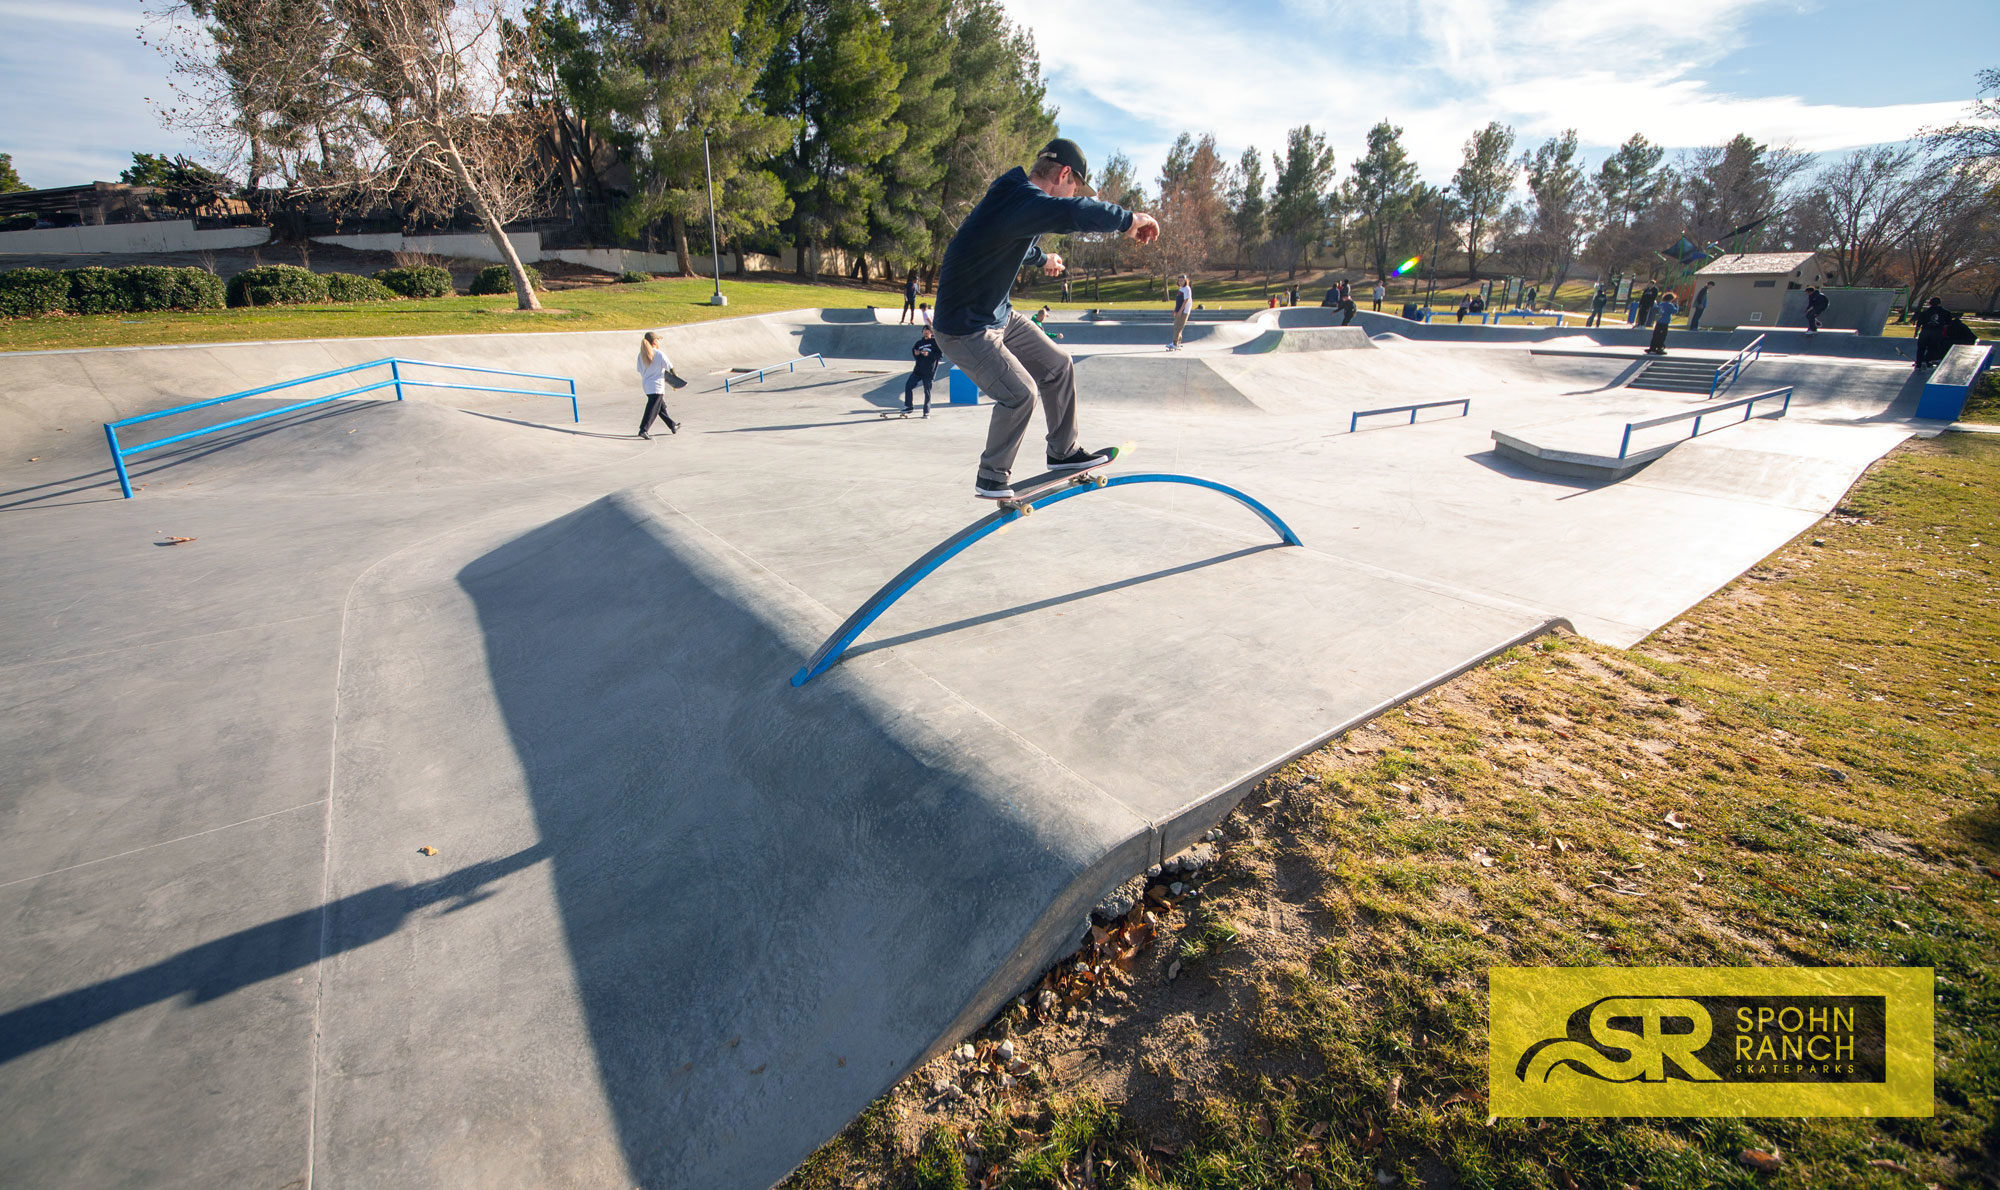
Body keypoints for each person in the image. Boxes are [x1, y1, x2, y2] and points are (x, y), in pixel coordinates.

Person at [931, 137, 1158, 499]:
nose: (1072, 195)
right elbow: (1073, 213)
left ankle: (1063, 452)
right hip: (964, 328)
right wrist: (1128, 220)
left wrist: (1042, 259)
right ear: (1064, 174)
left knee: (1058, 364)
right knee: (1020, 394)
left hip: (998, 316)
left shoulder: (1014, 201)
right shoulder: (1021, 199)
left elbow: (1012, 243)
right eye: (1074, 188)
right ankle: (991, 476)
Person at [635, 331, 681, 439]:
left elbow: (639, 370)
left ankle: (672, 425)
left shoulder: (641, 355)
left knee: (661, 407)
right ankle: (643, 429)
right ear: (654, 341)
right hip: (657, 386)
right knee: (653, 409)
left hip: (647, 385)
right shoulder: (659, 354)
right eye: (657, 340)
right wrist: (676, 381)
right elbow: (671, 368)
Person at [902, 327, 943, 417]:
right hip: (918, 370)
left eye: (928, 332)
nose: (926, 333)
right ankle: (909, 406)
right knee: (908, 386)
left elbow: (939, 356)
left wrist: (928, 354)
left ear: (931, 333)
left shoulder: (935, 343)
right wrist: (916, 354)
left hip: (929, 372)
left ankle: (926, 412)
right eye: (924, 331)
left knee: (927, 391)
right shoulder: (919, 343)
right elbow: (915, 352)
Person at [1913, 297, 1952, 368]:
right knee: (1932, 348)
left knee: (1921, 348)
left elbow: (1919, 324)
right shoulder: (1946, 312)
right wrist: (1945, 334)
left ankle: (1919, 362)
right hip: (1937, 332)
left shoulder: (1925, 312)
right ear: (1939, 303)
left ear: (1930, 303)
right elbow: (1947, 325)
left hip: (1925, 331)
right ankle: (1927, 361)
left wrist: (1916, 333)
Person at [1170, 274, 1193, 350]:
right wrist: (1175, 310)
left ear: (1185, 281)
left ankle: (1175, 343)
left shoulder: (1187, 289)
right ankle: (1178, 343)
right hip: (1179, 310)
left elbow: (1186, 300)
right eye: (1179, 280)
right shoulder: (1181, 289)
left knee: (1178, 327)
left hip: (1184, 311)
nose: (1180, 282)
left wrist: (1180, 311)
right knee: (1176, 325)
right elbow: (1179, 301)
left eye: (1182, 280)